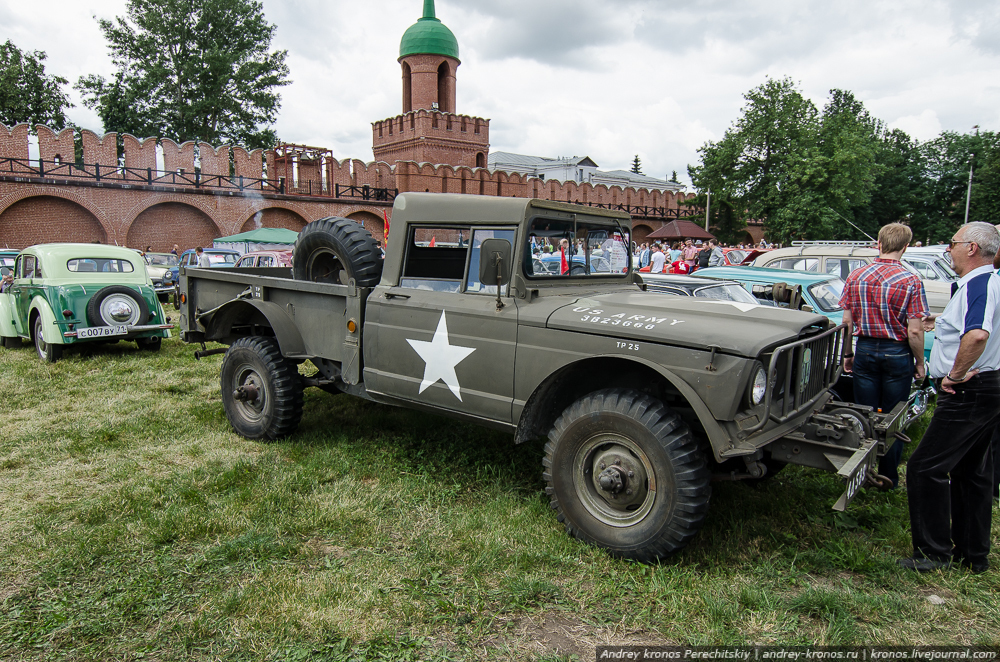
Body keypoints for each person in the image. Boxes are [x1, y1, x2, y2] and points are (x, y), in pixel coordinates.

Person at [899, 222, 1000, 573]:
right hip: (986, 385)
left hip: (967, 389)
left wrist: (954, 375)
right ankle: (973, 554)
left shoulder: (981, 284)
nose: (948, 249)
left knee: (925, 467)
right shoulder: (986, 283)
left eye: (954, 243)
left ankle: (933, 553)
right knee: (973, 471)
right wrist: (940, 322)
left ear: (971, 248)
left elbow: (976, 335)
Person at [839, 223, 928, 488]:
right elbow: (914, 331)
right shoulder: (911, 280)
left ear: (879, 244)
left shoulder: (856, 276)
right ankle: (888, 476)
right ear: (905, 246)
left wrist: (847, 353)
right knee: (892, 418)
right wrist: (920, 362)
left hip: (865, 349)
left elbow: (847, 321)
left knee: (866, 415)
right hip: (897, 352)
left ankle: (863, 474)